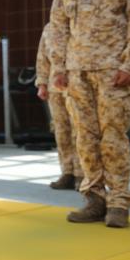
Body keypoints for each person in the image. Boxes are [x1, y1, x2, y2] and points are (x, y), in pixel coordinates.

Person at [48, 0, 130, 228]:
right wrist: (59, 67)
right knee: (84, 137)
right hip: (76, 71)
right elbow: (57, 26)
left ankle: (120, 202)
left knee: (113, 138)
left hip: (113, 71)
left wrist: (129, 63)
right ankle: (94, 199)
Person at [35, 23, 83, 190]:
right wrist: (41, 83)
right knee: (61, 130)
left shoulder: (80, 22)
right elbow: (42, 57)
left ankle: (81, 174)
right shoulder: (50, 28)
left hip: (77, 84)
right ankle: (67, 172)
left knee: (80, 129)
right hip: (54, 86)